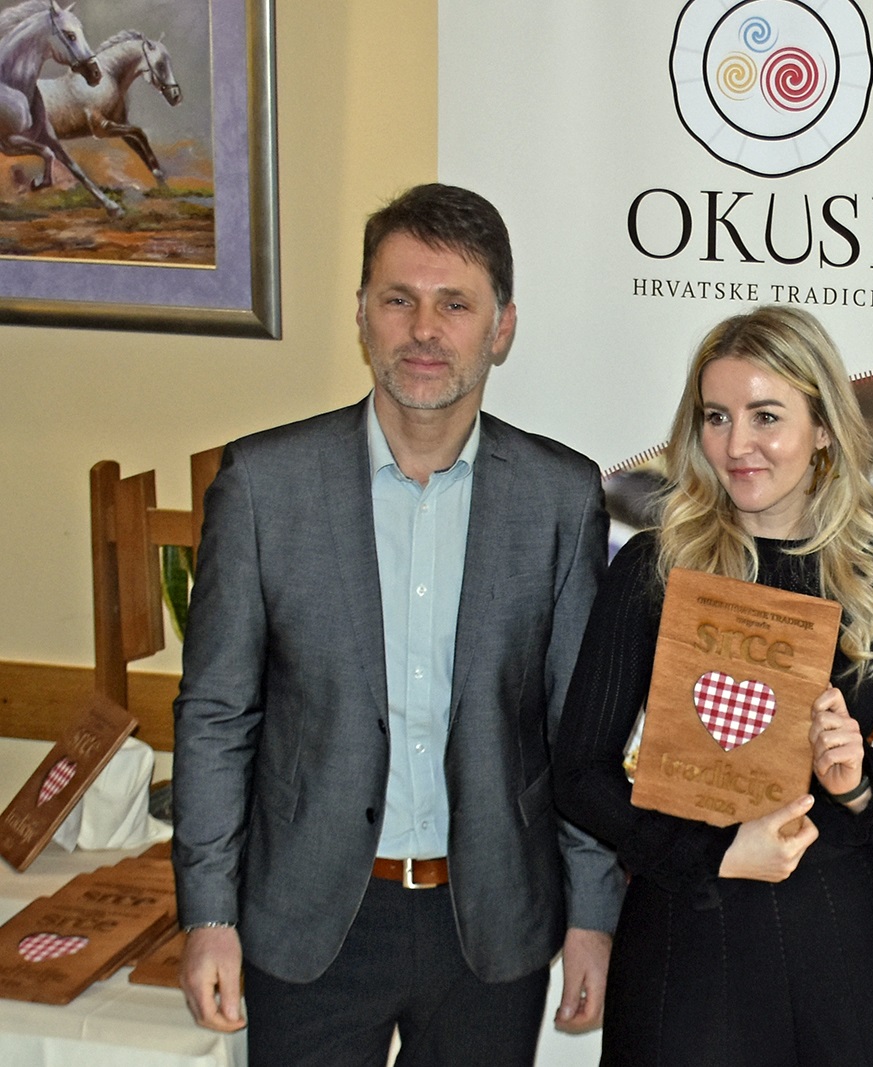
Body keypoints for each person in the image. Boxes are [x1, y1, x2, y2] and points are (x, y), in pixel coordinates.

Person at [172, 183, 623, 1066]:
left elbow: (581, 732)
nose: (424, 329)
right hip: (308, 921)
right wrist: (209, 915)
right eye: (398, 300)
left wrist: (593, 917)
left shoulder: (561, 498)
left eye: (455, 304)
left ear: (501, 327)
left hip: (491, 924)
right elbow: (216, 717)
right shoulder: (263, 487)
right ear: (361, 315)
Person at [555, 305, 873, 1066]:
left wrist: (856, 783)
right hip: (686, 933)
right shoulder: (654, 570)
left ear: (824, 428)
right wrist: (712, 853)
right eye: (716, 417)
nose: (737, 445)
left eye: (766, 416)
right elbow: (578, 773)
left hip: (835, 943)